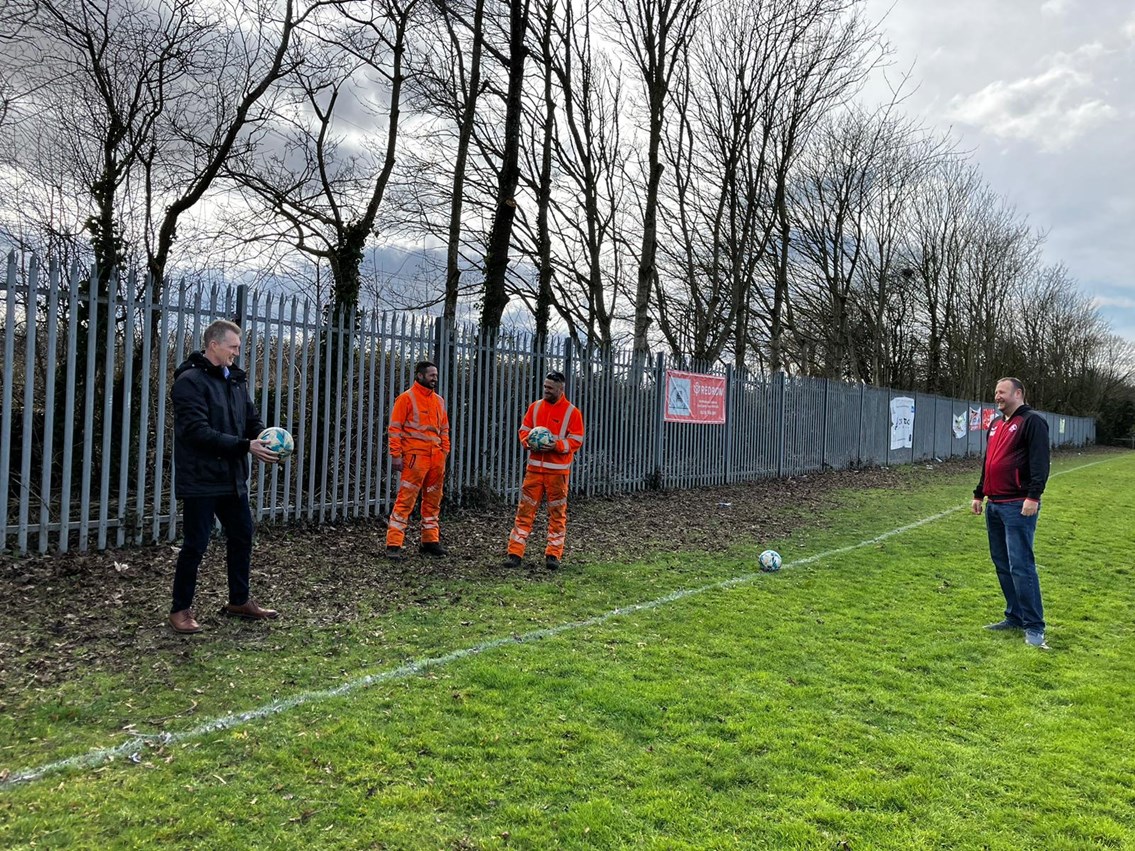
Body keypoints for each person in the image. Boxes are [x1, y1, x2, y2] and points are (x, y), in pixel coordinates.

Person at [168, 319, 281, 634]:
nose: (236, 352)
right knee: (196, 544)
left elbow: (250, 419)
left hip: (232, 477)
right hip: (201, 478)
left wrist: (266, 437)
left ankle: (239, 600)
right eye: (232, 346)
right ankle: (180, 610)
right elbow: (197, 432)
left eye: (238, 347)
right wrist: (247, 446)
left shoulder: (236, 381)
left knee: (243, 534)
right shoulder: (189, 382)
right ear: (213, 344)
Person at [971, 377, 1051, 649]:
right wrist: (979, 493)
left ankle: (1034, 626)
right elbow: (989, 462)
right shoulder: (995, 425)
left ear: (1018, 393)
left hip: (1018, 505)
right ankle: (1014, 616)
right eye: (995, 392)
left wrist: (1033, 496)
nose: (997, 397)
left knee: (1021, 565)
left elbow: (1040, 463)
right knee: (1002, 563)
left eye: (1002, 392)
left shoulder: (1032, 422)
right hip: (994, 504)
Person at [503, 371, 585, 570]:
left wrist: (556, 445)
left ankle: (553, 555)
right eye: (545, 386)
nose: (546, 390)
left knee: (557, 514)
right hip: (534, 471)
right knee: (524, 511)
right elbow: (524, 430)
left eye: (550, 387)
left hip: (558, 473)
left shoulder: (572, 412)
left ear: (561, 388)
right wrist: (527, 442)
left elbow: (577, 439)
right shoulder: (535, 407)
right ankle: (515, 553)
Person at [386, 361, 451, 560]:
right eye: (431, 375)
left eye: (436, 375)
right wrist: (396, 455)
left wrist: (444, 452)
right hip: (415, 458)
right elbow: (394, 429)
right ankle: (394, 544)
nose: (435, 378)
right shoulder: (406, 398)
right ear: (420, 375)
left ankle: (430, 541)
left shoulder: (438, 400)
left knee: (433, 501)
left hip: (435, 458)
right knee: (405, 500)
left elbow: (444, 429)